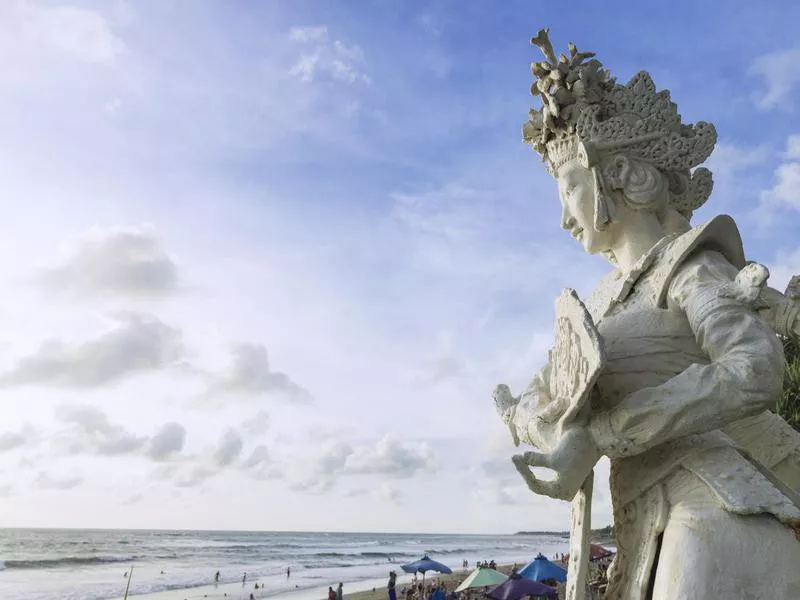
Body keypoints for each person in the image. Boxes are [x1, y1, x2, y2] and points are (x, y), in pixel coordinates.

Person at [495, 28, 800, 600]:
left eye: (567, 189)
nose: (564, 217)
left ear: (626, 176)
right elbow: (554, 391)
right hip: (641, 516)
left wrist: (606, 433)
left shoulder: (691, 267)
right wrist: (533, 423)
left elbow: (752, 368)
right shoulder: (605, 300)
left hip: (709, 500)